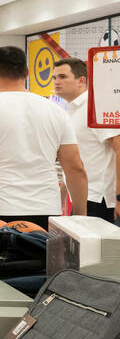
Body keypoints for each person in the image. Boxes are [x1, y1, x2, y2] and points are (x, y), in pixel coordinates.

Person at [0, 46, 88, 228]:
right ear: (27, 73)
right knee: (42, 256)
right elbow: (75, 167)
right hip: (46, 209)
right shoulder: (56, 112)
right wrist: (79, 215)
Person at [52, 57, 120, 222]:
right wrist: (62, 194)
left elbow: (119, 148)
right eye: (54, 78)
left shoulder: (95, 107)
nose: (56, 82)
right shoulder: (71, 111)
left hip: (100, 200)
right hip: (82, 197)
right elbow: (75, 159)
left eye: (63, 77)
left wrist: (119, 198)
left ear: (81, 80)